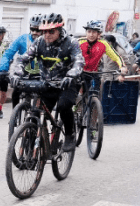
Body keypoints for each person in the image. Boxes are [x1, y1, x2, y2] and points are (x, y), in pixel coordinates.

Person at [9, 13, 84, 152]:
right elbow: (23, 59)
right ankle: (32, 147)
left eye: (51, 31)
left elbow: (79, 61)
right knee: (36, 114)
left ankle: (70, 135)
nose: (47, 35)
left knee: (63, 106)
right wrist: (17, 73)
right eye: (44, 31)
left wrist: (71, 75)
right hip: (47, 83)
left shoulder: (71, 43)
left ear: (59, 30)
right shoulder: (39, 42)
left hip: (67, 83)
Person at [0, 15, 43, 109]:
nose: (34, 32)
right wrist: (3, 69)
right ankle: (15, 114)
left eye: (37, 30)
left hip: (41, 73)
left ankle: (38, 115)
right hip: (24, 72)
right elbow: (8, 54)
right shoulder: (22, 39)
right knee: (16, 92)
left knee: (42, 97)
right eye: (32, 29)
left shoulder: (47, 41)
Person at [78, 20, 126, 92]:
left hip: (94, 73)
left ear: (99, 34)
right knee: (77, 91)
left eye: (94, 32)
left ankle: (94, 98)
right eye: (89, 32)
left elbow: (116, 57)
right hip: (80, 72)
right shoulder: (79, 42)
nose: (91, 35)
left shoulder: (103, 44)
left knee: (95, 92)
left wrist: (122, 66)